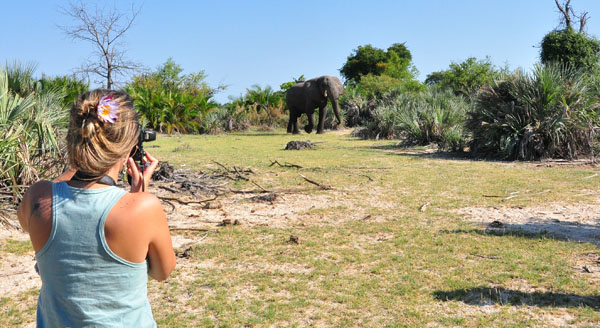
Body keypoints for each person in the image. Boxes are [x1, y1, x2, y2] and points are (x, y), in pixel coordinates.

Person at [17, 89, 176, 327]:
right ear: (129, 145)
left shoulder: (38, 197)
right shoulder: (144, 207)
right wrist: (138, 195)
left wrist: (79, 162)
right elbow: (162, 272)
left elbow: (29, 222)